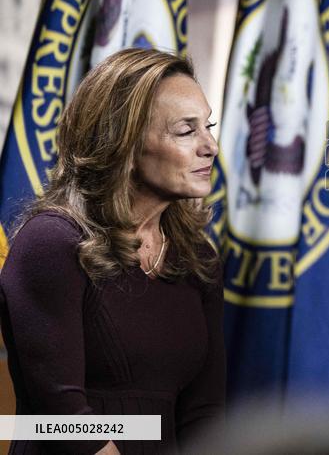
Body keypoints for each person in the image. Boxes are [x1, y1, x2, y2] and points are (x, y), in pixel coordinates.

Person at [0, 48, 225, 454]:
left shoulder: (198, 259)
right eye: (186, 131)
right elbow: (59, 415)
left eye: (207, 126)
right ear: (125, 140)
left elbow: (203, 411)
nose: (210, 146)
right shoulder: (51, 242)